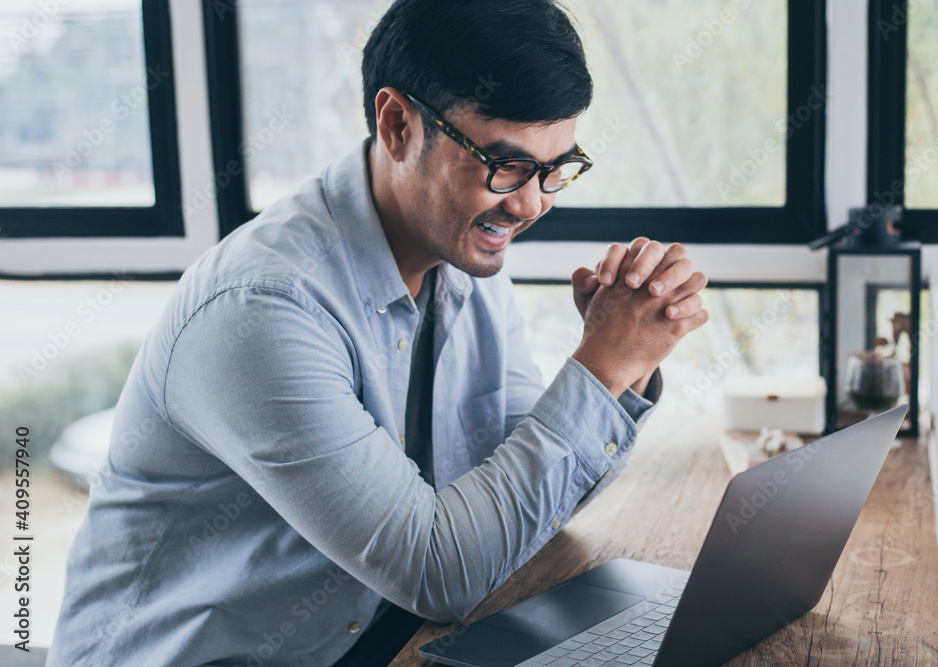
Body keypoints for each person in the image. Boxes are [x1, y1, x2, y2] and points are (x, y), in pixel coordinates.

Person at [48, 0, 708, 664]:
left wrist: (624, 367)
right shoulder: (262, 308)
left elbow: (528, 503)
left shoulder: (463, 259)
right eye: (504, 165)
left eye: (555, 169)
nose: (532, 203)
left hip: (385, 639)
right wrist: (598, 368)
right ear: (397, 125)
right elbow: (437, 574)